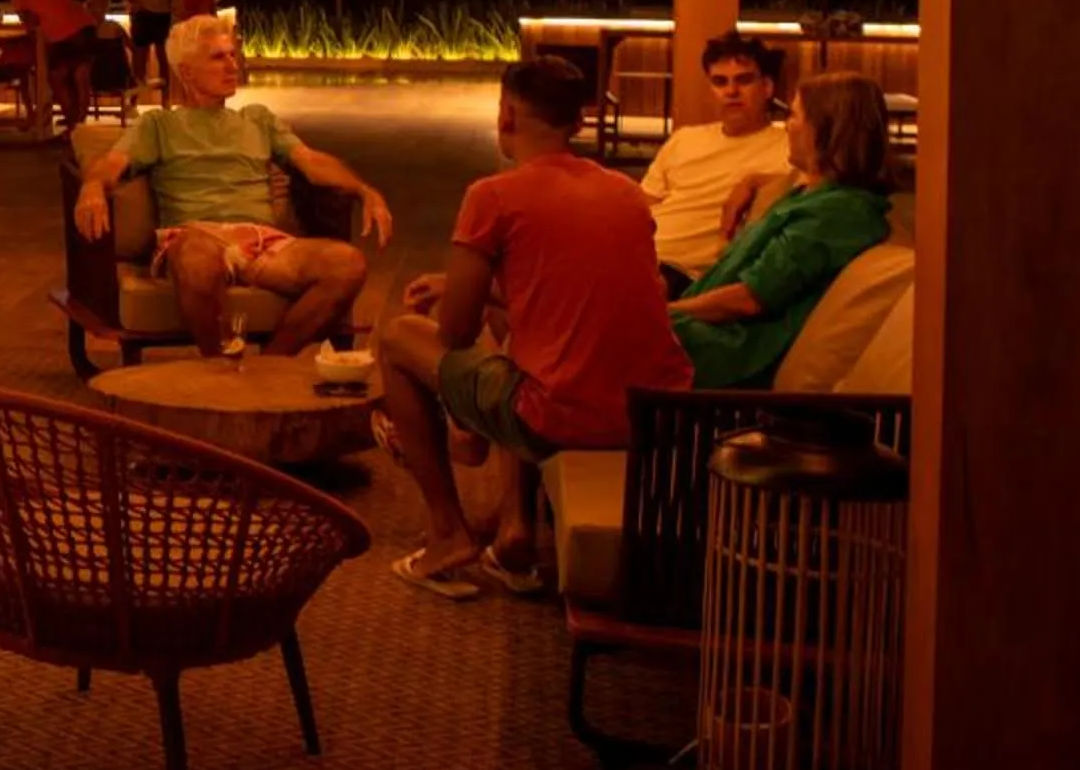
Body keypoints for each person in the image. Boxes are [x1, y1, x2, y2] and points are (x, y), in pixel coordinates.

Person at [375, 56, 691, 599]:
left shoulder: (493, 196)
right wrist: (486, 289)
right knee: (519, 332)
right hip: (657, 413)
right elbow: (582, 293)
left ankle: (448, 532)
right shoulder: (625, 193)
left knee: (399, 338)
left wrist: (460, 290)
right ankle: (516, 527)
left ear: (505, 116)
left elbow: (453, 333)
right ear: (580, 122)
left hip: (567, 417)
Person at [72, 13, 392, 359]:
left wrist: (365, 190)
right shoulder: (159, 125)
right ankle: (219, 362)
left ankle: (270, 363)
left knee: (348, 263)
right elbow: (111, 164)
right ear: (187, 71)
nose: (232, 65)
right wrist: (92, 187)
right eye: (218, 57)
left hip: (260, 241)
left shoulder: (257, 119)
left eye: (232, 55)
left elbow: (312, 162)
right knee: (198, 256)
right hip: (195, 236)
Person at [669, 70, 896, 390]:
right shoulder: (813, 194)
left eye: (794, 115)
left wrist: (667, 312)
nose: (787, 125)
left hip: (731, 351)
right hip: (708, 329)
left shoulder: (839, 214)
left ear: (826, 129)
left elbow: (751, 298)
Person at [638, 32, 794, 295]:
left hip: (686, 274)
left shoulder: (791, 147)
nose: (731, 91)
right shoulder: (685, 139)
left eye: (743, 80)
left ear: (767, 87)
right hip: (638, 255)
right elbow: (642, 206)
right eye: (720, 82)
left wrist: (754, 181)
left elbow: (822, 186)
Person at [0, 0, 97, 131]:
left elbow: (27, 17)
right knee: (80, 78)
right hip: (84, 23)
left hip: (61, 31)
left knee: (57, 77)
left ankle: (73, 125)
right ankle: (79, 124)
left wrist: (36, 39)